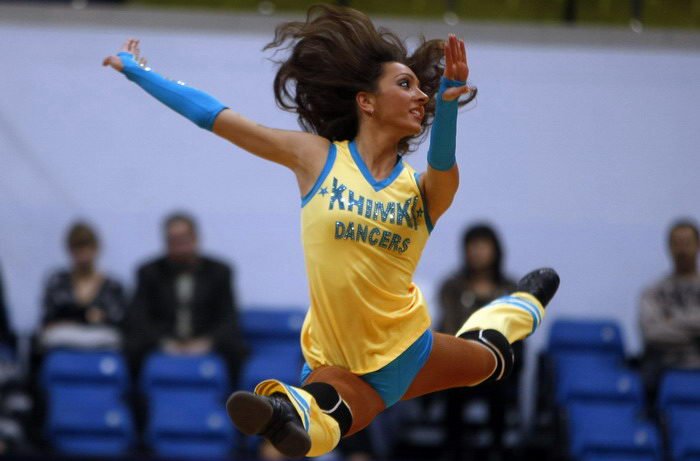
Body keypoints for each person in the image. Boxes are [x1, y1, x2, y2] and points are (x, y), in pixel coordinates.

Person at [103, 5, 559, 458]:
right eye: (406, 84)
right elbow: (218, 118)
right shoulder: (318, 158)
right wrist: (138, 72)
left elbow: (442, 163)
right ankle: (283, 409)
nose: (420, 95)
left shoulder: (425, 191)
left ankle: (524, 302)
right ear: (367, 101)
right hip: (335, 354)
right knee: (330, 413)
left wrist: (448, 105)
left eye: (423, 90)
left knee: (492, 361)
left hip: (406, 349)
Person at [126, 213, 246, 386]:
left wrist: (206, 342)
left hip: (205, 339)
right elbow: (139, 318)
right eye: (174, 240)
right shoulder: (149, 272)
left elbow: (228, 318)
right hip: (163, 340)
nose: (180, 245)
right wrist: (165, 343)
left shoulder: (219, 272)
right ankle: (138, 406)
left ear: (195, 238)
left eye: (184, 238)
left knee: (237, 349)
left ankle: (232, 404)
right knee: (132, 347)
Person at [437, 224, 522, 460]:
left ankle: (497, 447)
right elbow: (449, 327)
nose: (477, 251)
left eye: (483, 245)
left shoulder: (510, 288)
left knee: (501, 380)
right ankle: (453, 448)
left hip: (497, 363)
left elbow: (513, 330)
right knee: (454, 383)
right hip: (459, 361)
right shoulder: (452, 286)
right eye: (472, 246)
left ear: (495, 250)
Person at [39, 222, 126, 350]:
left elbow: (120, 320)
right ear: (69, 250)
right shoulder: (57, 282)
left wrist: (75, 316)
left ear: (96, 248)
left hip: (102, 340)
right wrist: (87, 316)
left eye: (87, 247)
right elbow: (49, 318)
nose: (83, 254)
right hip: (63, 338)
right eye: (78, 248)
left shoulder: (112, 287)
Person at [639, 219, 700, 398]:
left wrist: (671, 320)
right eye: (676, 244)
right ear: (669, 247)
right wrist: (695, 333)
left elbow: (663, 327)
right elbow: (652, 332)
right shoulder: (652, 292)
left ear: (698, 246)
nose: (682, 250)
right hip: (663, 372)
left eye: (687, 243)